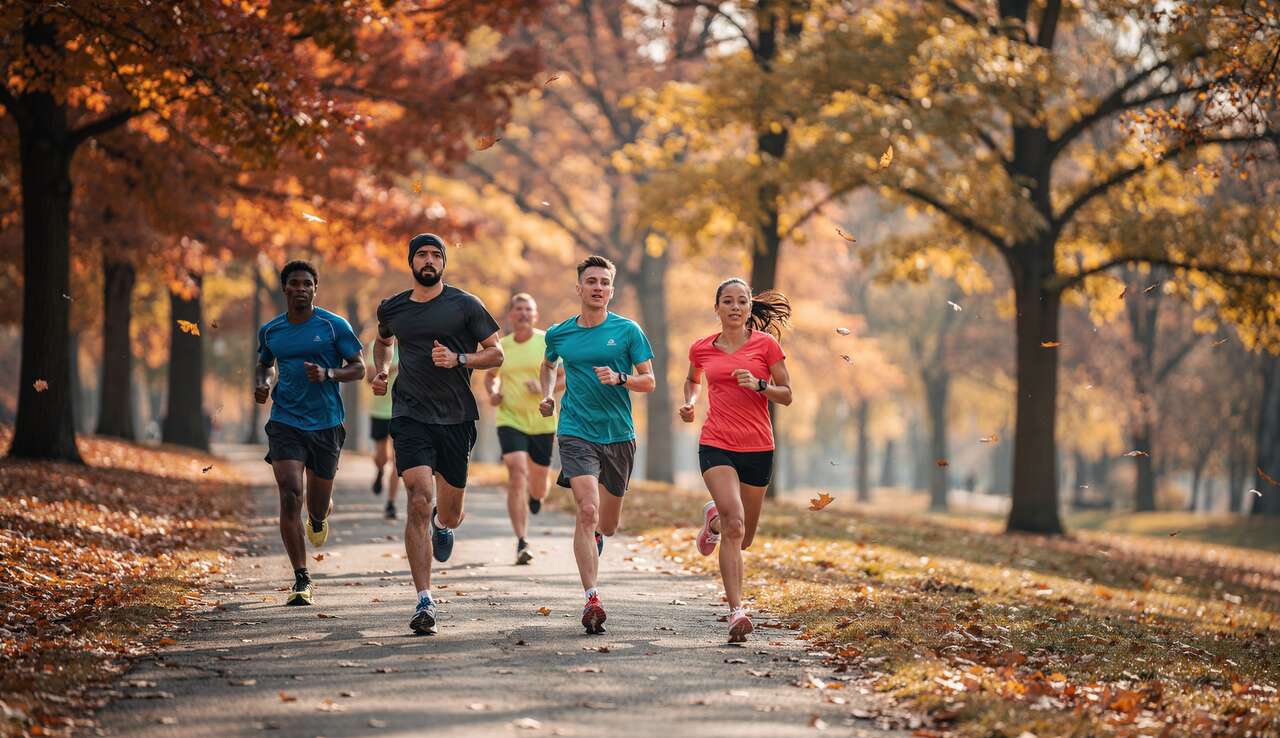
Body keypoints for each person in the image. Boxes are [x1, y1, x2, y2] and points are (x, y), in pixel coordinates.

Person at [371, 233, 503, 635]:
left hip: (456, 417)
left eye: (435, 255)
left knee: (449, 512)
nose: (428, 261)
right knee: (417, 499)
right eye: (422, 255)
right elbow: (382, 342)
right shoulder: (392, 307)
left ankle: (442, 527)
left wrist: (459, 358)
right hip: (410, 414)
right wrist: (380, 369)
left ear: (444, 262)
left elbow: (496, 353)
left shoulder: (465, 305)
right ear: (411, 262)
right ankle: (424, 600)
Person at [538, 255, 655, 634]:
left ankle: (599, 535)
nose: (598, 287)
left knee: (608, 522)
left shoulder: (628, 331)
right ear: (579, 288)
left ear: (612, 289)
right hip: (575, 430)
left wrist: (621, 378)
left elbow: (648, 381)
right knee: (587, 510)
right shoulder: (559, 333)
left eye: (604, 282)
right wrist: (547, 394)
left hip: (619, 434)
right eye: (591, 281)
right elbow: (548, 363)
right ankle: (592, 597)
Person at [679, 277, 792, 642]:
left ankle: (712, 523)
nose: (734, 307)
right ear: (717, 308)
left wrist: (760, 386)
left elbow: (787, 394)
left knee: (743, 538)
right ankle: (736, 611)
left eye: (741, 301)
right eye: (727, 301)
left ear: (749, 308)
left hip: (758, 447)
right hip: (717, 443)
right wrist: (691, 403)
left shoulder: (767, 346)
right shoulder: (701, 348)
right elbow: (693, 380)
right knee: (736, 523)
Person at [254, 260, 365, 606]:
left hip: (326, 423)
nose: (301, 288)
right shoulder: (272, 331)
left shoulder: (334, 327)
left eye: (307, 284)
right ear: (285, 288)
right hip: (286, 420)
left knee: (315, 507)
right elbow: (265, 364)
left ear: (315, 289)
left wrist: (329, 374)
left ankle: (319, 516)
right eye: (294, 283)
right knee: (290, 493)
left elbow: (359, 369)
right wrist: (263, 383)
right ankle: (301, 578)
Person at [483, 294, 565, 565]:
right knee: (517, 472)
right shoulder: (502, 346)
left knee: (539, 484)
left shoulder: (546, 342)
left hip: (542, 421)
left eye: (528, 309)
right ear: (510, 315)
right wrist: (493, 393)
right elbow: (490, 376)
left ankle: (536, 495)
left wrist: (546, 388)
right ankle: (521, 539)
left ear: (535, 315)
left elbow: (565, 375)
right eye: (517, 309)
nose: (523, 314)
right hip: (510, 419)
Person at [367, 338, 400, 519]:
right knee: (382, 458)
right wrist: (394, 368)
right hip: (379, 410)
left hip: (402, 411)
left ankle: (391, 502)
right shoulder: (377, 345)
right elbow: (369, 377)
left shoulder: (411, 344)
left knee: (398, 460)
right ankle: (380, 471)